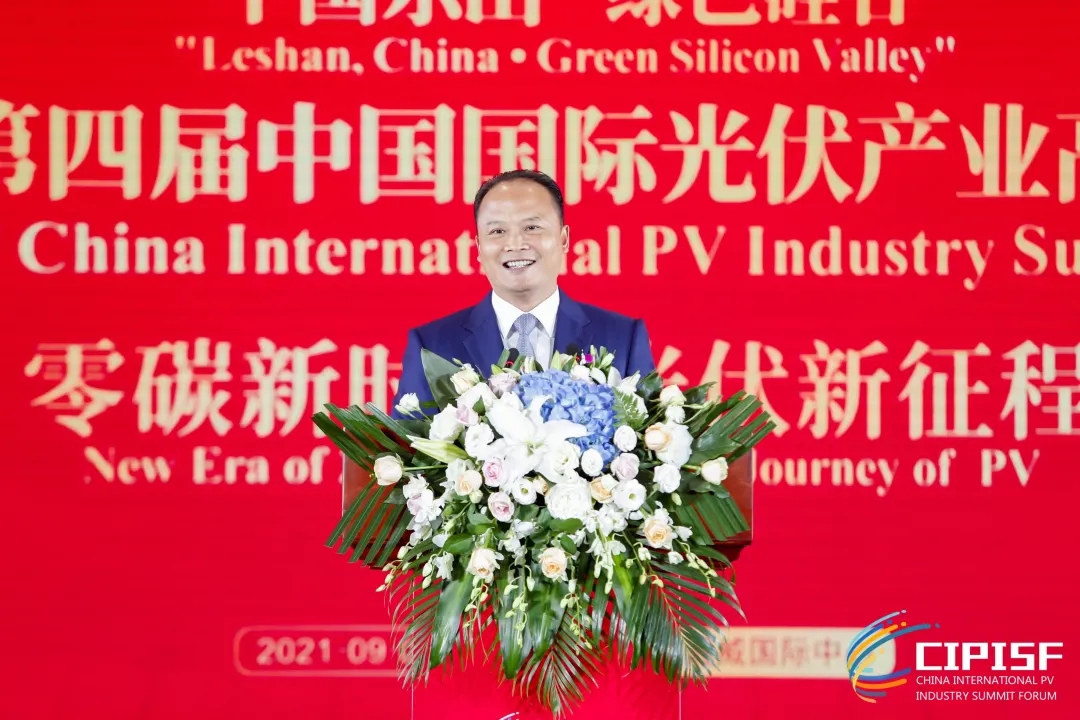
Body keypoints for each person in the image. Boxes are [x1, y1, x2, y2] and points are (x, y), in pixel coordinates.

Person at [390, 169, 655, 417]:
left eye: (532, 227)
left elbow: (650, 437)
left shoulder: (623, 337)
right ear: (479, 247)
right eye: (497, 231)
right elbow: (406, 444)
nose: (515, 244)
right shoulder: (432, 345)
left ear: (564, 239)